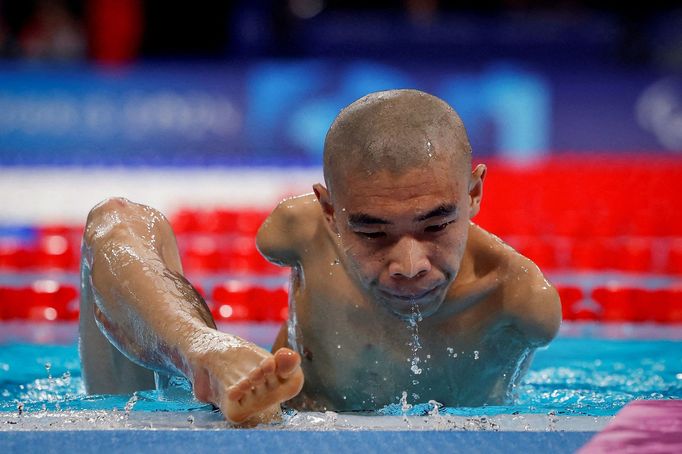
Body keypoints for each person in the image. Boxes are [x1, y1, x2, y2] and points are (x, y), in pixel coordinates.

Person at [80, 89, 561, 424]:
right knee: (115, 218)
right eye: (372, 232)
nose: (410, 263)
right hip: (264, 428)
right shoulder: (299, 232)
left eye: (436, 226)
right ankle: (204, 359)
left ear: (474, 193)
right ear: (329, 210)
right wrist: (202, 347)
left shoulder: (520, 304)